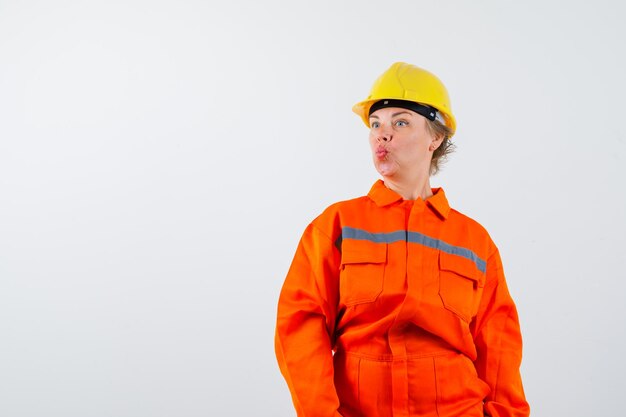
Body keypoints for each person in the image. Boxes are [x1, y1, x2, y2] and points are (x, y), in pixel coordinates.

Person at [275, 62, 530, 417]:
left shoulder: (474, 240)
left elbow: (498, 342)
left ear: (436, 138)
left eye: (400, 122)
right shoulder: (338, 224)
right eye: (375, 124)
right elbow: (300, 326)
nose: (383, 134)